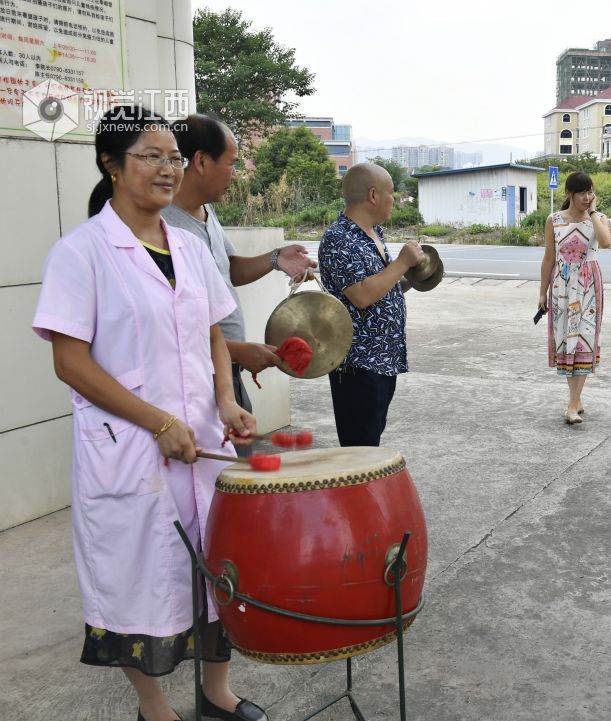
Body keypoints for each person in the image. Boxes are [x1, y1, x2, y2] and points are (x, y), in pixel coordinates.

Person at [31, 106, 266, 721]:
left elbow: (213, 329)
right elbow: (71, 362)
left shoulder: (188, 247)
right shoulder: (80, 253)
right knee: (138, 577)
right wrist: (158, 421)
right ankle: (154, 706)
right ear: (111, 165)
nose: (170, 169)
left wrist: (224, 401)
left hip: (203, 440)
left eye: (175, 158)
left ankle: (217, 696)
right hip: (130, 448)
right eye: (151, 156)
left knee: (221, 568)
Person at [163, 114, 315, 456]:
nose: (236, 173)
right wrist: (239, 351)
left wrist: (277, 258)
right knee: (219, 478)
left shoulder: (204, 211)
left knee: (236, 471)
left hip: (226, 372)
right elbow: (171, 331)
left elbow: (228, 270)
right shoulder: (163, 230)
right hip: (194, 378)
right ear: (201, 161)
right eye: (231, 163)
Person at [319, 163, 425, 446]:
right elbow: (362, 295)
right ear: (374, 195)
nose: (395, 198)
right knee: (360, 450)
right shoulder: (339, 238)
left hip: (382, 360)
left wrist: (414, 276)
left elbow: (382, 286)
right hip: (358, 365)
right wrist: (402, 263)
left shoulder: (373, 233)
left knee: (371, 440)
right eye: (391, 192)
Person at [538, 171, 611, 424]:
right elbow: (549, 257)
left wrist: (592, 213)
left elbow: (607, 242)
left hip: (589, 285)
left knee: (584, 340)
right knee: (567, 342)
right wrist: (541, 292)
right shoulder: (554, 220)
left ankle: (571, 406)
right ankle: (576, 400)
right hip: (561, 286)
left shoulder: (598, 219)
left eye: (590, 192)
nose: (587, 197)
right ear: (569, 193)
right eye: (582, 192)